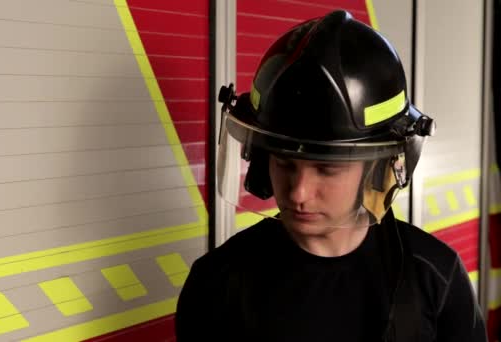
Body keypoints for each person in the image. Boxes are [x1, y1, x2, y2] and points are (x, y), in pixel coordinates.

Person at [175, 10, 487, 342]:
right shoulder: (217, 283)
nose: (298, 193)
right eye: (284, 164)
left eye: (327, 169)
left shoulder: (435, 278)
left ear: (378, 169)